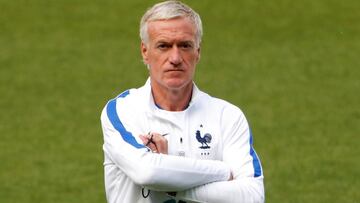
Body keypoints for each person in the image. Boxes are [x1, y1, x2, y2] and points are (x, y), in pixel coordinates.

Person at [100, 1, 264, 202]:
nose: (175, 57)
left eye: (185, 45)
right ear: (145, 51)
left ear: (198, 51)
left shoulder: (227, 116)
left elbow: (252, 197)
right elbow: (147, 171)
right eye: (164, 46)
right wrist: (223, 172)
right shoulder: (123, 110)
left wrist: (168, 179)